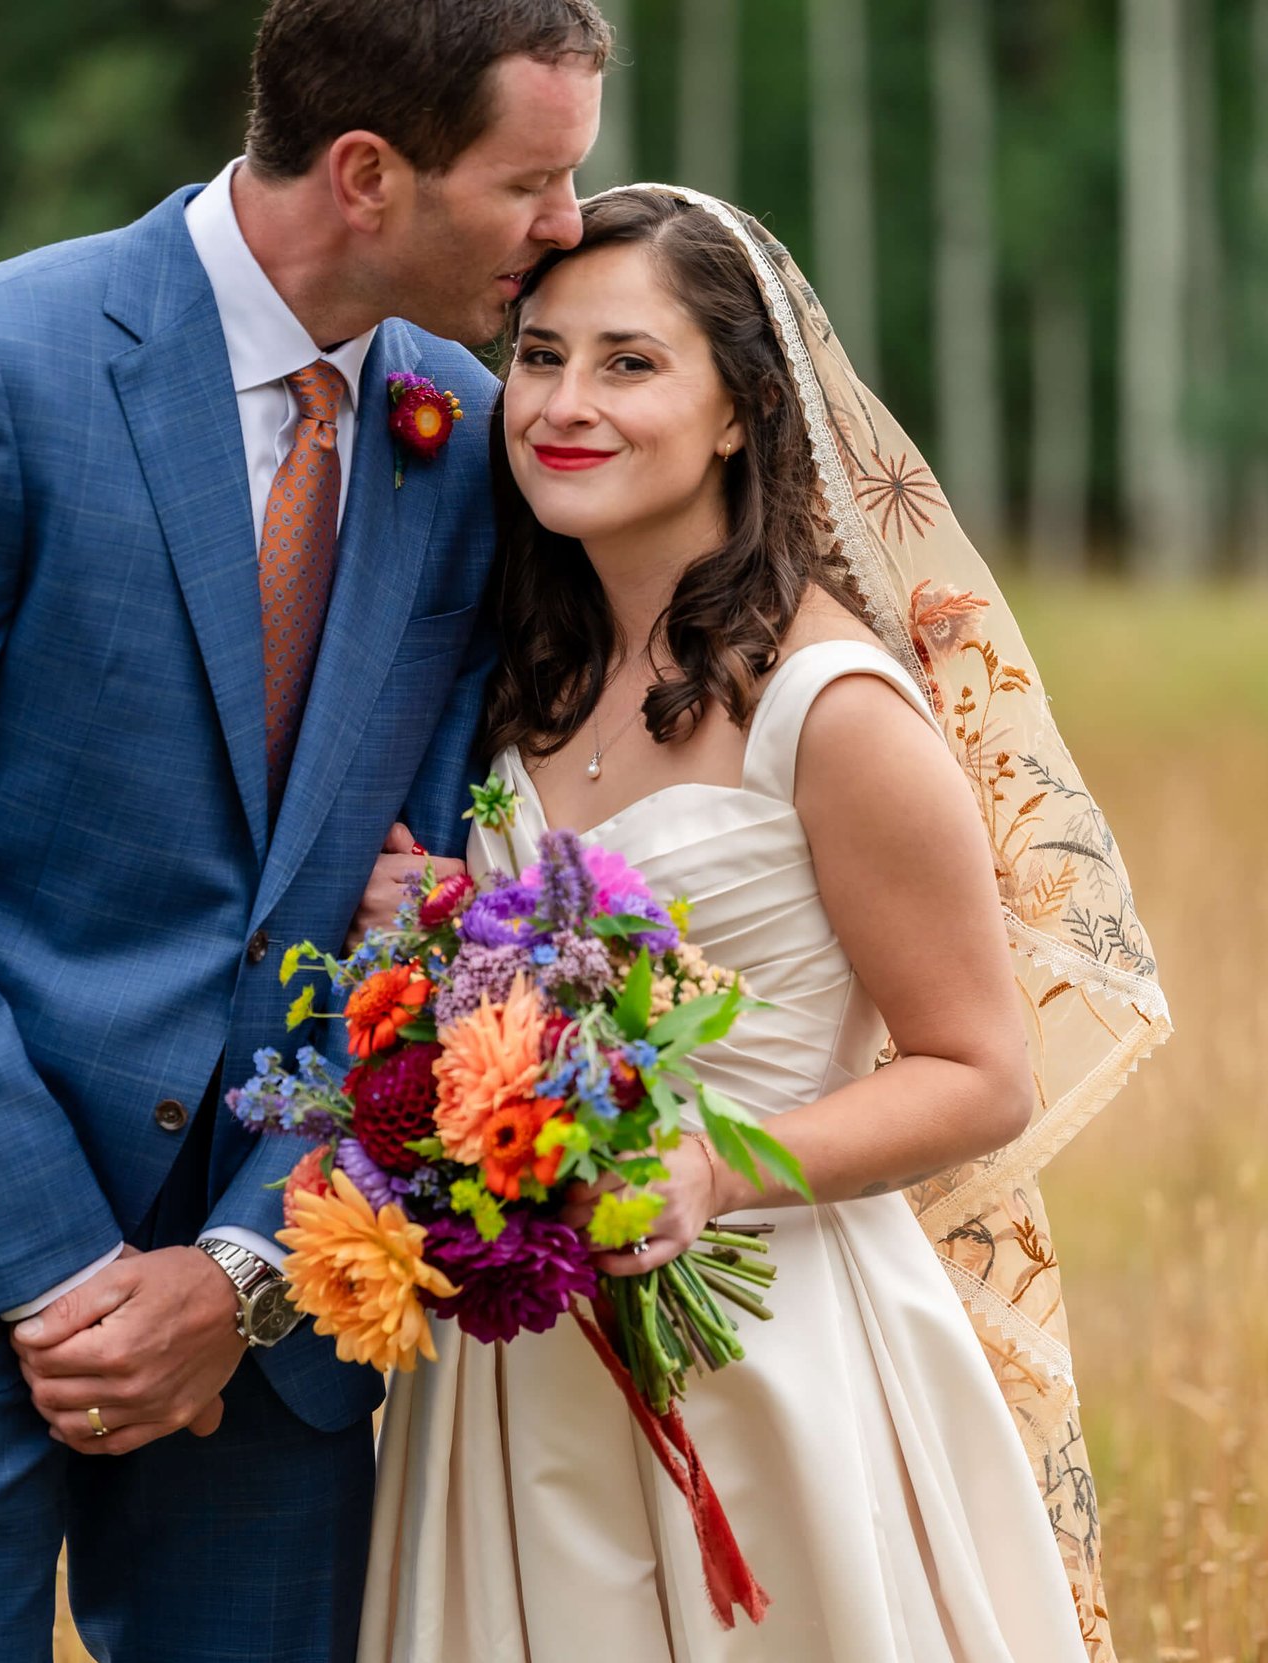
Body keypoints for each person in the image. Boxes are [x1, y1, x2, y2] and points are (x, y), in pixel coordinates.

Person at [0, 3, 608, 1657]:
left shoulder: (468, 437)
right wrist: (59, 1270)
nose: (570, 227)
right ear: (371, 174)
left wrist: (243, 1271)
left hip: (282, 1297)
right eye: (536, 180)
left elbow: (437, 900)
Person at [356, 187, 1172, 1661]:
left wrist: (711, 1170)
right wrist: (437, 934)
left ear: (741, 409)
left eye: (628, 363)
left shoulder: (831, 704)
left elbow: (980, 1072)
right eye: (538, 357)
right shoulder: (526, 678)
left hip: (774, 1354)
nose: (562, 404)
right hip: (516, 1371)